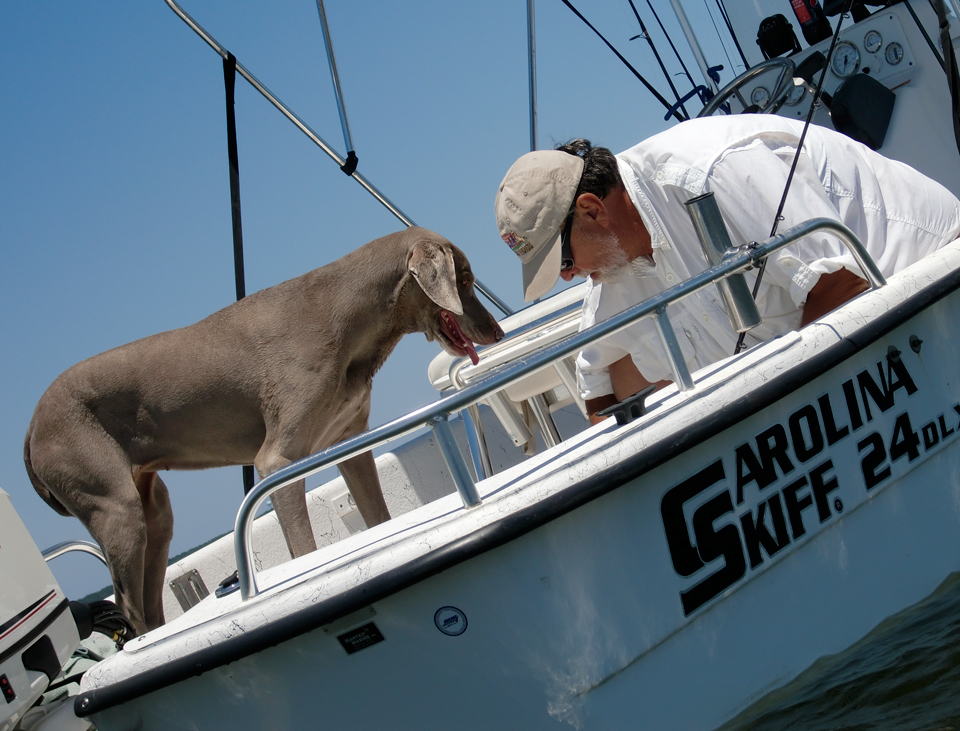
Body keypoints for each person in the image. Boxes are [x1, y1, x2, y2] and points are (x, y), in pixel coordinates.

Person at [494, 115, 960, 422]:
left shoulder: (710, 171)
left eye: (566, 260)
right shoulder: (615, 268)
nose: (569, 277)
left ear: (593, 210)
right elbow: (597, 394)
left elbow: (845, 284)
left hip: (931, 282)